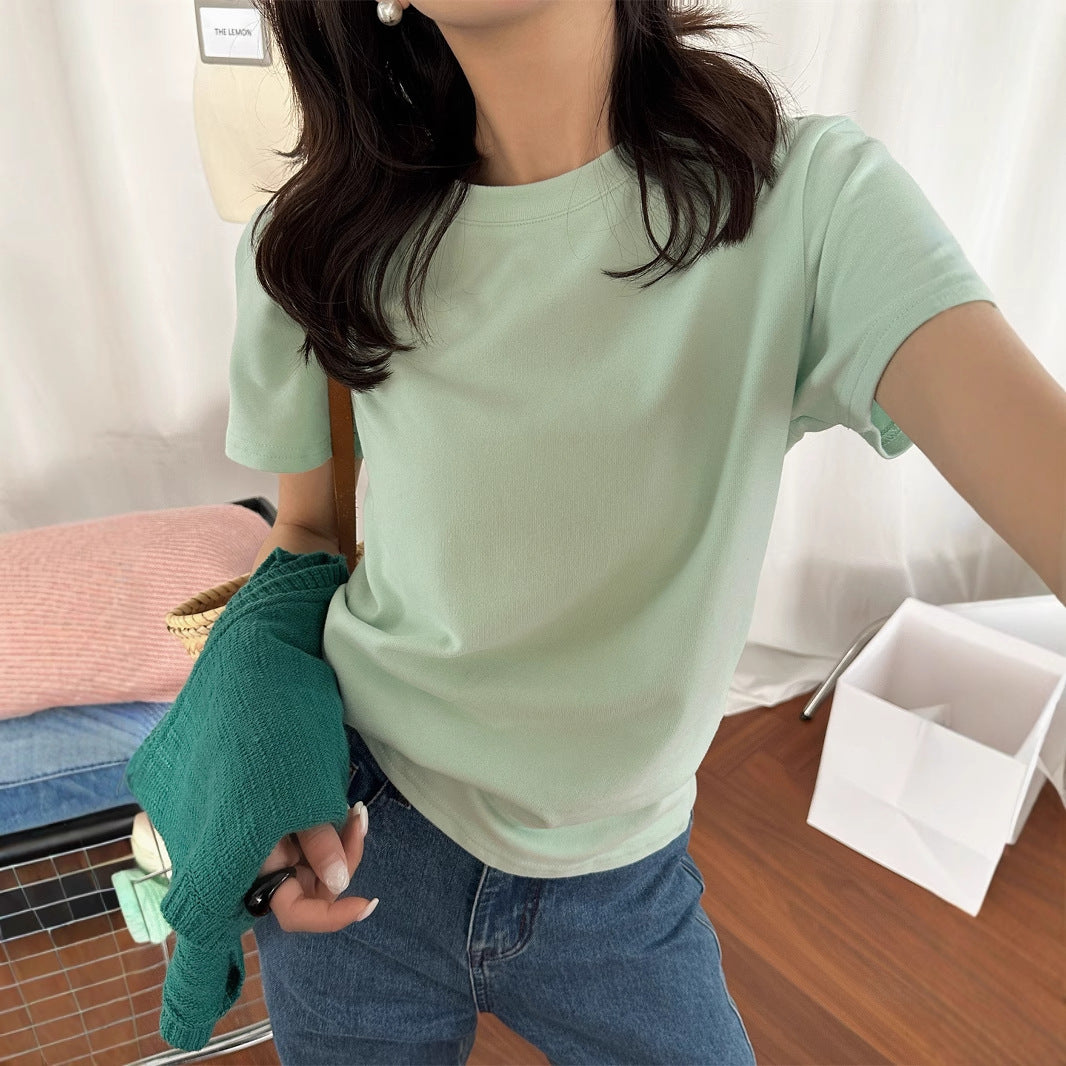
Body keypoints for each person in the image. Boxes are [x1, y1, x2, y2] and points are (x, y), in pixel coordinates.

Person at [227, 1, 997, 1063]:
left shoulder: (804, 206)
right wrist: (263, 749)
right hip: (356, 835)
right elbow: (309, 531)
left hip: (622, 883)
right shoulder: (318, 241)